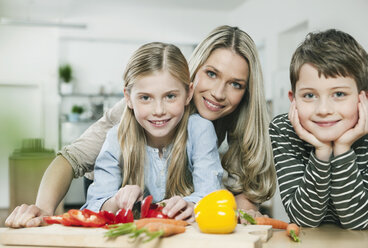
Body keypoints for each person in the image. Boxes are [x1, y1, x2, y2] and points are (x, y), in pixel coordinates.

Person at [6, 25, 276, 227]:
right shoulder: (130, 117)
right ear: (193, 76)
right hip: (121, 202)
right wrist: (42, 210)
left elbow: (236, 191)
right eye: (212, 73)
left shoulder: (218, 126)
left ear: (247, 91)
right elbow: (71, 160)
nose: (218, 92)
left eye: (236, 84)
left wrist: (242, 210)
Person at [81, 42, 223, 222]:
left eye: (170, 96)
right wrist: (117, 201)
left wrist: (192, 206)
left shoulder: (200, 130)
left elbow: (211, 195)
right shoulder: (116, 138)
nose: (158, 110)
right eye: (145, 98)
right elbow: (94, 205)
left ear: (188, 94)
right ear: (128, 98)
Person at [269, 29, 368, 230]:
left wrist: (343, 149)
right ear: (293, 99)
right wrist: (322, 153)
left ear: (363, 98)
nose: (323, 110)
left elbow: (360, 222)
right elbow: (304, 221)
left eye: (339, 94)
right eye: (309, 96)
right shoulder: (283, 130)